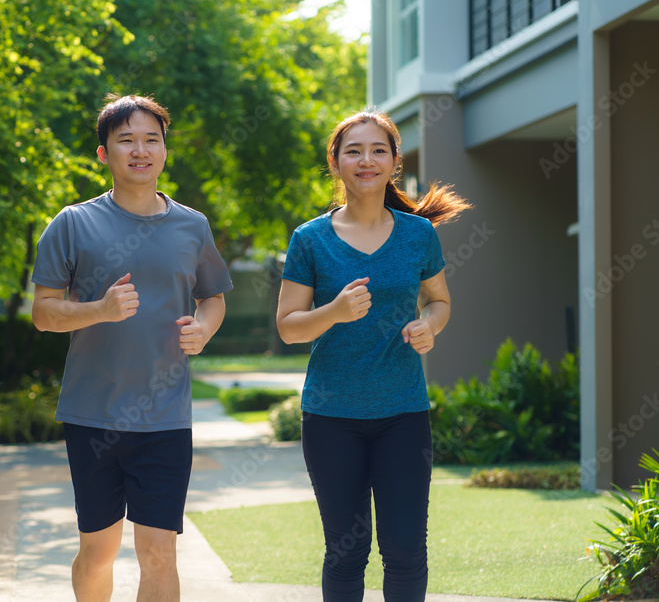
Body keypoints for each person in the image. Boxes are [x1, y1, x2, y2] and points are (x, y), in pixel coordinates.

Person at [30, 94, 232, 602]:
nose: (140, 151)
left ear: (164, 151)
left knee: (159, 553)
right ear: (104, 154)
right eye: (126, 141)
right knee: (98, 552)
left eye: (151, 140)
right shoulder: (73, 224)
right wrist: (99, 309)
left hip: (166, 416)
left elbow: (213, 297)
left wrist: (204, 329)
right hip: (93, 415)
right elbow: (43, 313)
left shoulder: (193, 225)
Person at [276, 109, 471, 602]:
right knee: (346, 552)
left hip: (402, 414)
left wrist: (429, 326)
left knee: (406, 552)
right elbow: (288, 327)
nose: (366, 160)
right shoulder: (310, 239)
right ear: (336, 164)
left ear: (394, 162)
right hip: (330, 416)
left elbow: (440, 302)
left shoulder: (417, 235)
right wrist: (335, 311)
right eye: (354, 151)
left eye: (378, 150)